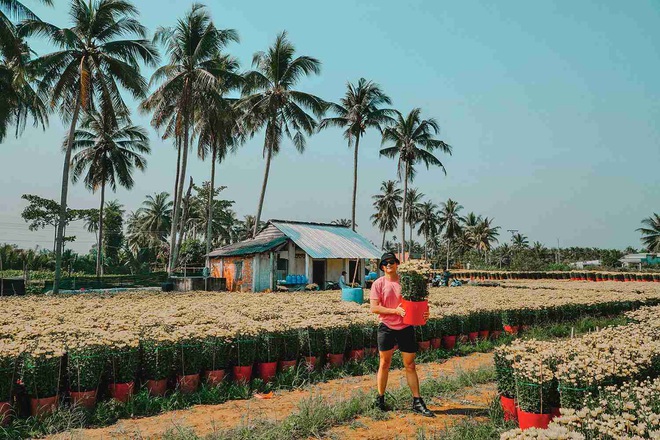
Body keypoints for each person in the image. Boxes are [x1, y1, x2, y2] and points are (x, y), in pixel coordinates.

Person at [369, 252, 435, 417]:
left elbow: (419, 301)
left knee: (410, 365)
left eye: (391, 262)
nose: (388, 265)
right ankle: (380, 399)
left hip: (406, 327)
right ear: (382, 267)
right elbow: (374, 308)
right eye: (385, 263)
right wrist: (395, 311)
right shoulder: (378, 284)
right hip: (386, 327)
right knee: (384, 363)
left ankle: (417, 401)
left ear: (397, 264)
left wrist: (425, 312)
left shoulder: (406, 282)